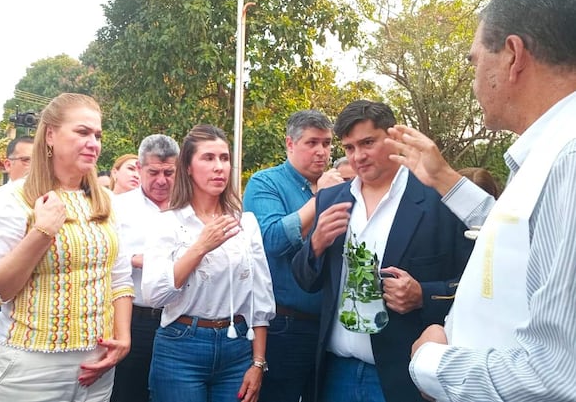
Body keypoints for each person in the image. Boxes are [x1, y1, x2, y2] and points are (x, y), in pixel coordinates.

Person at [385, 0, 576, 401]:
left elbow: (558, 377)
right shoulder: (553, 153)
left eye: (474, 61)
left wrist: (431, 361)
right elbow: (523, 239)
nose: (474, 81)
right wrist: (444, 180)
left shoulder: (568, 160)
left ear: (513, 55)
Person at [291, 100, 473, 402]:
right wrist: (315, 244)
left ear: (393, 137)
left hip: (403, 376)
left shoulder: (438, 200)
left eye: (367, 143)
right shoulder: (331, 199)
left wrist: (422, 295)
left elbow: (472, 285)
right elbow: (306, 281)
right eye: (349, 148)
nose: (358, 156)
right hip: (336, 373)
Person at [0, 93, 134, 402]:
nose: (93, 142)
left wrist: (122, 337)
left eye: (97, 135)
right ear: (50, 135)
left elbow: (120, 278)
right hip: (29, 368)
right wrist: (41, 233)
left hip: (96, 367)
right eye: (82, 132)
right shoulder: (14, 199)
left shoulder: (107, 201)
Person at [142, 125, 276, 402]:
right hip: (181, 346)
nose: (219, 167)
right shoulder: (167, 222)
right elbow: (155, 295)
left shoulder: (245, 222)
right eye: (208, 158)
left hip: (238, 346)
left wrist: (258, 362)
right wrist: (201, 246)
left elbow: (260, 299)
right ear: (188, 167)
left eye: (224, 158)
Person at [242, 109, 344, 402]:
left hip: (330, 327)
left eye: (326, 144)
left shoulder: (341, 185)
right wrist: (318, 200)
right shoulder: (266, 183)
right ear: (290, 144)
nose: (321, 152)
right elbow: (271, 241)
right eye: (312, 143)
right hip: (284, 325)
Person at [110, 134, 180, 402]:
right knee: (128, 392)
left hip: (177, 319)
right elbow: (108, 253)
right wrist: (136, 259)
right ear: (139, 169)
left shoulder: (190, 207)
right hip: (133, 319)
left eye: (168, 172)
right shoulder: (118, 208)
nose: (162, 180)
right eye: (153, 172)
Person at [0, 135, 33, 202]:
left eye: (40, 161)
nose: (34, 167)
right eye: (26, 160)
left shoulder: (49, 201)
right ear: (8, 165)